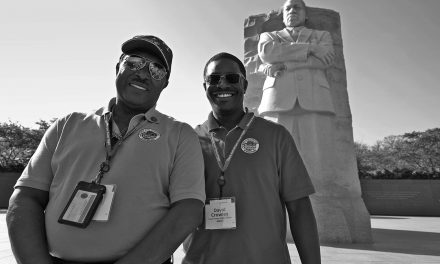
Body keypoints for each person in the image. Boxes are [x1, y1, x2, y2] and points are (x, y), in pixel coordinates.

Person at [6, 35, 206, 264]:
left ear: (166, 83)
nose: (143, 73)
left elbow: (188, 209)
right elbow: (25, 197)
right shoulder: (67, 125)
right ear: (117, 66)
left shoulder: (180, 135)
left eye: (156, 69)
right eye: (134, 62)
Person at [183, 52, 321, 264]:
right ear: (205, 87)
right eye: (213, 79)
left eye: (231, 78)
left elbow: (299, 208)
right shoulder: (188, 140)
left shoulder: (277, 136)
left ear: (244, 85)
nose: (222, 84)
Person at [257, 0, 337, 198]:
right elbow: (268, 53)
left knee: (315, 153)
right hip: (277, 100)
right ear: (283, 15)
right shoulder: (269, 36)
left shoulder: (322, 36)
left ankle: (320, 196)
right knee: (274, 153)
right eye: (288, 8)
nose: (292, 11)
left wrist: (284, 65)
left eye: (297, 7)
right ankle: (273, 195)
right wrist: (310, 49)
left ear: (305, 14)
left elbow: (324, 62)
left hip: (314, 99)